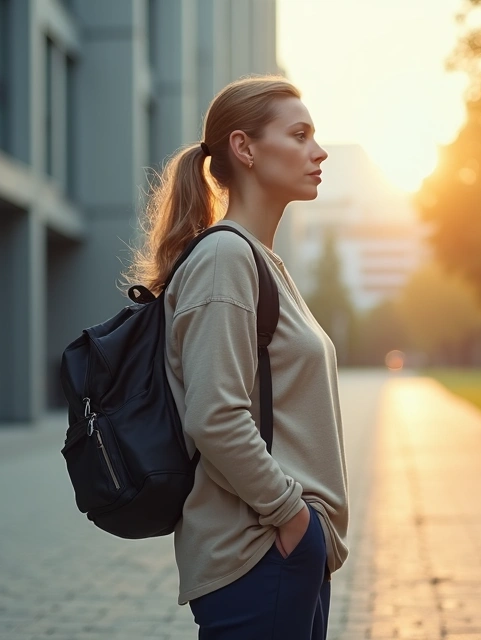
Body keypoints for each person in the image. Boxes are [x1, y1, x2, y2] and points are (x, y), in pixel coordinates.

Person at [125, 76, 347, 639]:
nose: (317, 152)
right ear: (244, 148)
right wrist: (292, 516)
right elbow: (216, 415)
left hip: (284, 548)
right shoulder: (226, 257)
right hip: (259, 550)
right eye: (299, 135)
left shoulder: (260, 259)